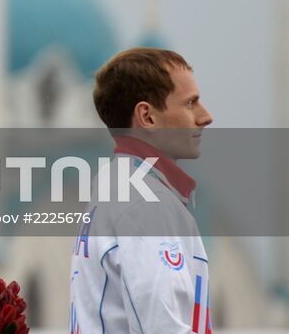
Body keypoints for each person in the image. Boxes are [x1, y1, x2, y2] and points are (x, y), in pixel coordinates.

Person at [68, 47, 215, 334]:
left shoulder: (122, 186)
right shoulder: (143, 202)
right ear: (147, 116)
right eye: (190, 103)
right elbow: (162, 327)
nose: (205, 116)